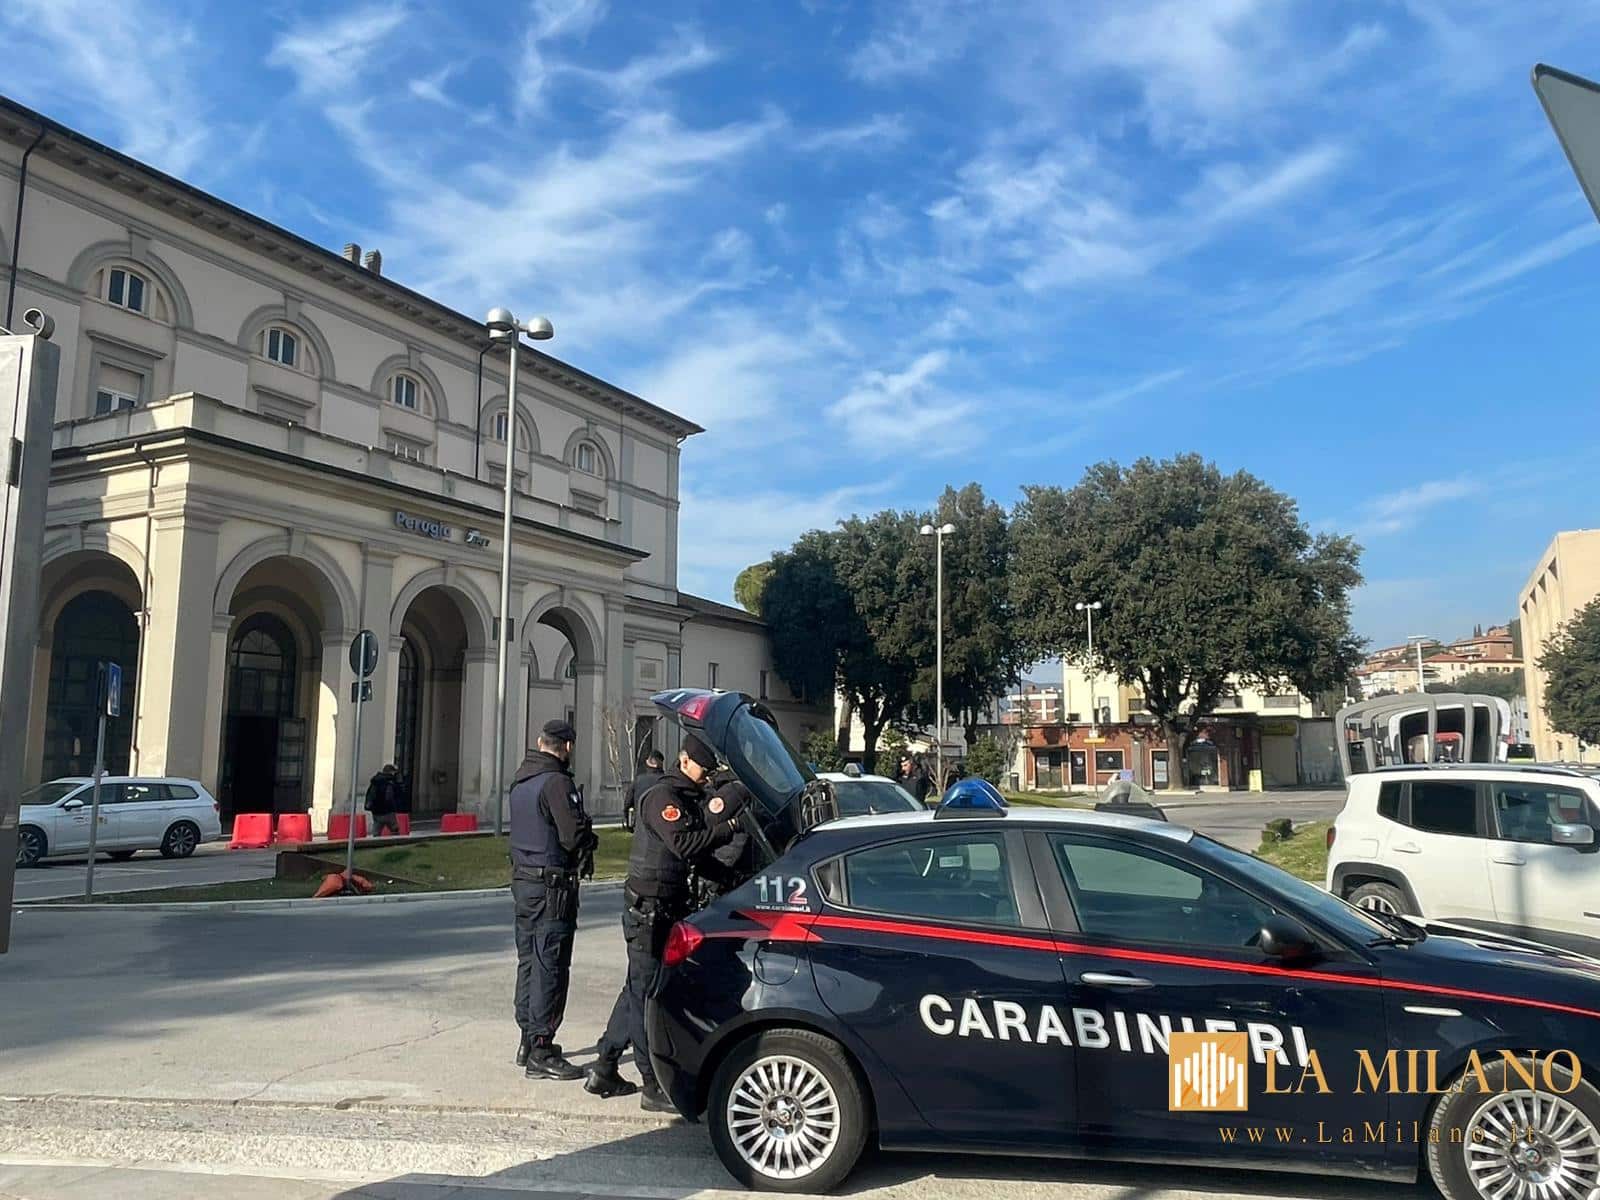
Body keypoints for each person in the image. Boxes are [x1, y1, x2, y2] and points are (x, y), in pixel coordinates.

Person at [586, 733, 747, 1111]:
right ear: (684, 761)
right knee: (646, 998)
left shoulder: (686, 798)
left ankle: (606, 1064)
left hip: (665, 905)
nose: (706, 778)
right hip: (648, 910)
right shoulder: (662, 797)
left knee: (638, 988)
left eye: (710, 773)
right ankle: (651, 1084)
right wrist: (729, 829)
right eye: (702, 769)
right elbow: (684, 845)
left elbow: (697, 853)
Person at [509, 718, 598, 1081]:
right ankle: (541, 1047)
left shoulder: (521, 781)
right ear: (567, 747)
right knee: (551, 963)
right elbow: (572, 835)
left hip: (524, 882)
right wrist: (590, 839)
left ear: (538, 741)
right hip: (552, 885)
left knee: (529, 960)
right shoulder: (557, 783)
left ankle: (527, 1038)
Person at [622, 748, 665, 833]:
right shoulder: (666, 781)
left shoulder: (638, 781)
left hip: (641, 826)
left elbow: (627, 804)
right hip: (661, 827)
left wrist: (628, 824)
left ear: (647, 762)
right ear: (661, 763)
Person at [364, 764, 401, 836]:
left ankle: (375, 843)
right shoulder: (389, 782)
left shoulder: (375, 781)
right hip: (387, 811)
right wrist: (394, 807)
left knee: (376, 831)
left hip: (376, 811)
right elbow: (389, 797)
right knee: (394, 829)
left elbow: (370, 794)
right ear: (391, 772)